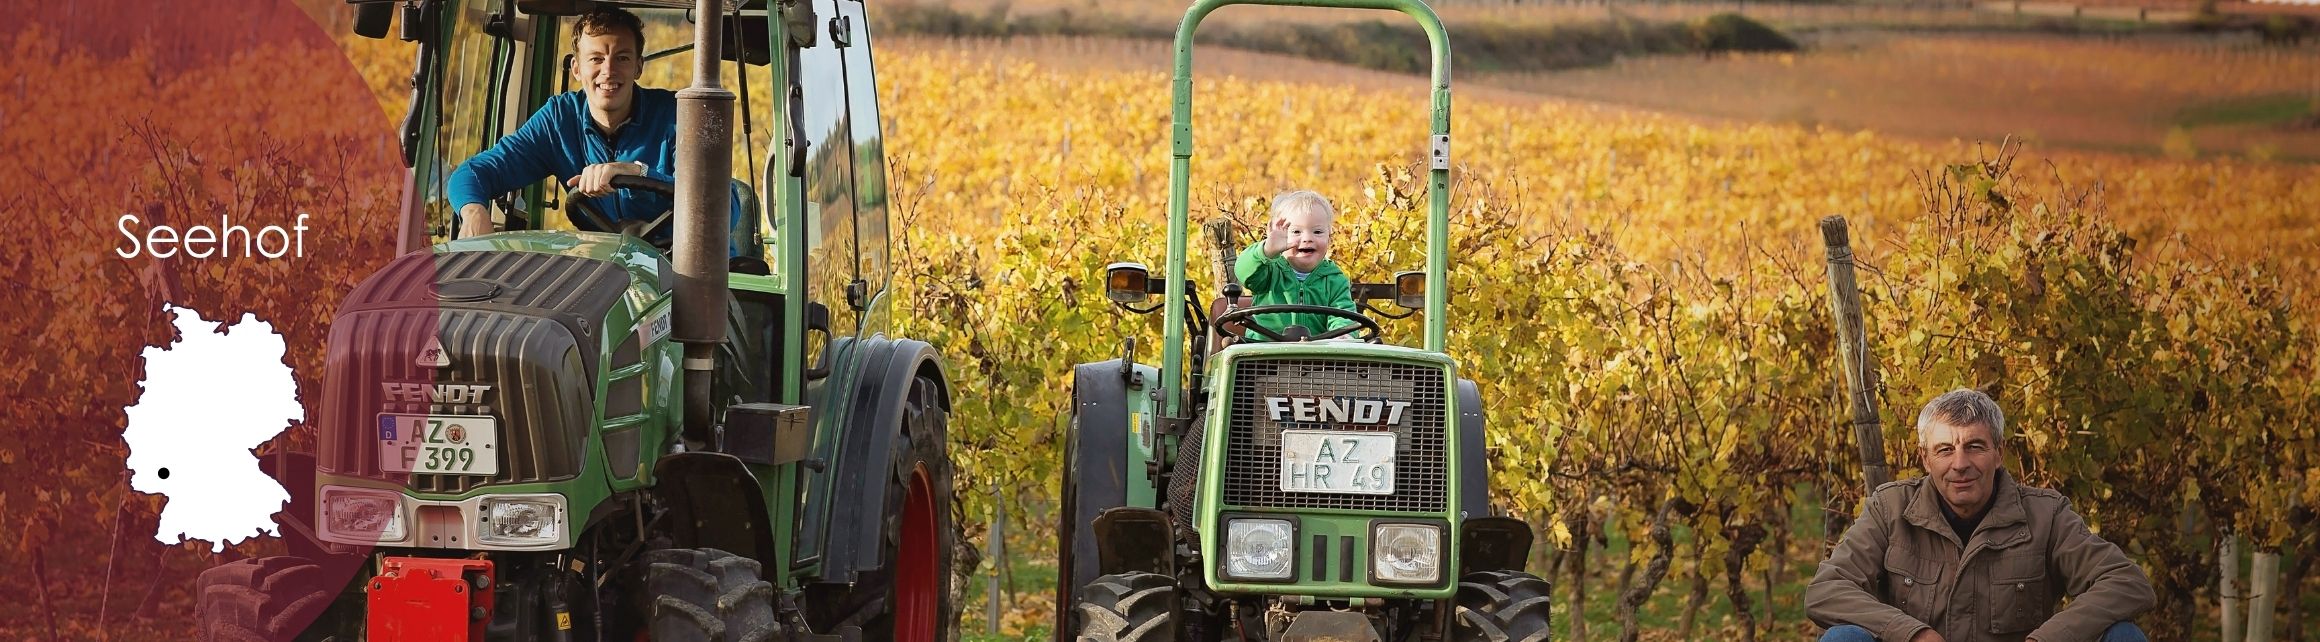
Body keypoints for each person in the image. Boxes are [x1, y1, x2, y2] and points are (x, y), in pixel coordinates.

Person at [1806, 389, 2155, 642]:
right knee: (1844, 638)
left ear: (1999, 452)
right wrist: (1913, 634)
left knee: (2124, 636)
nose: (1960, 464)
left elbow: (2127, 583)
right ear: (1926, 459)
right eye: (1945, 450)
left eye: (1974, 446)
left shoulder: (2045, 515)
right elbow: (1827, 590)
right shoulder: (1890, 509)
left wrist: (2046, 639)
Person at [447, 7, 679, 240]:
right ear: (576, 69)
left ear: (638, 67)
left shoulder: (676, 116)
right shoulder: (560, 120)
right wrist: (474, 212)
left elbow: (708, 194)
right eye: (596, 59)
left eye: (622, 58)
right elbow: (472, 173)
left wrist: (637, 172)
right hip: (603, 263)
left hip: (680, 265)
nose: (608, 71)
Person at [1232, 190, 1359, 339]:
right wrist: (1266, 250)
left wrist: (1343, 335)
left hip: (1316, 357)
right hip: (1264, 354)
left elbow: (1344, 315)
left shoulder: (1335, 280)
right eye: (1296, 231)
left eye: (1317, 232)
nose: (1307, 238)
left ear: (1329, 238)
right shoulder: (1269, 271)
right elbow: (1243, 272)